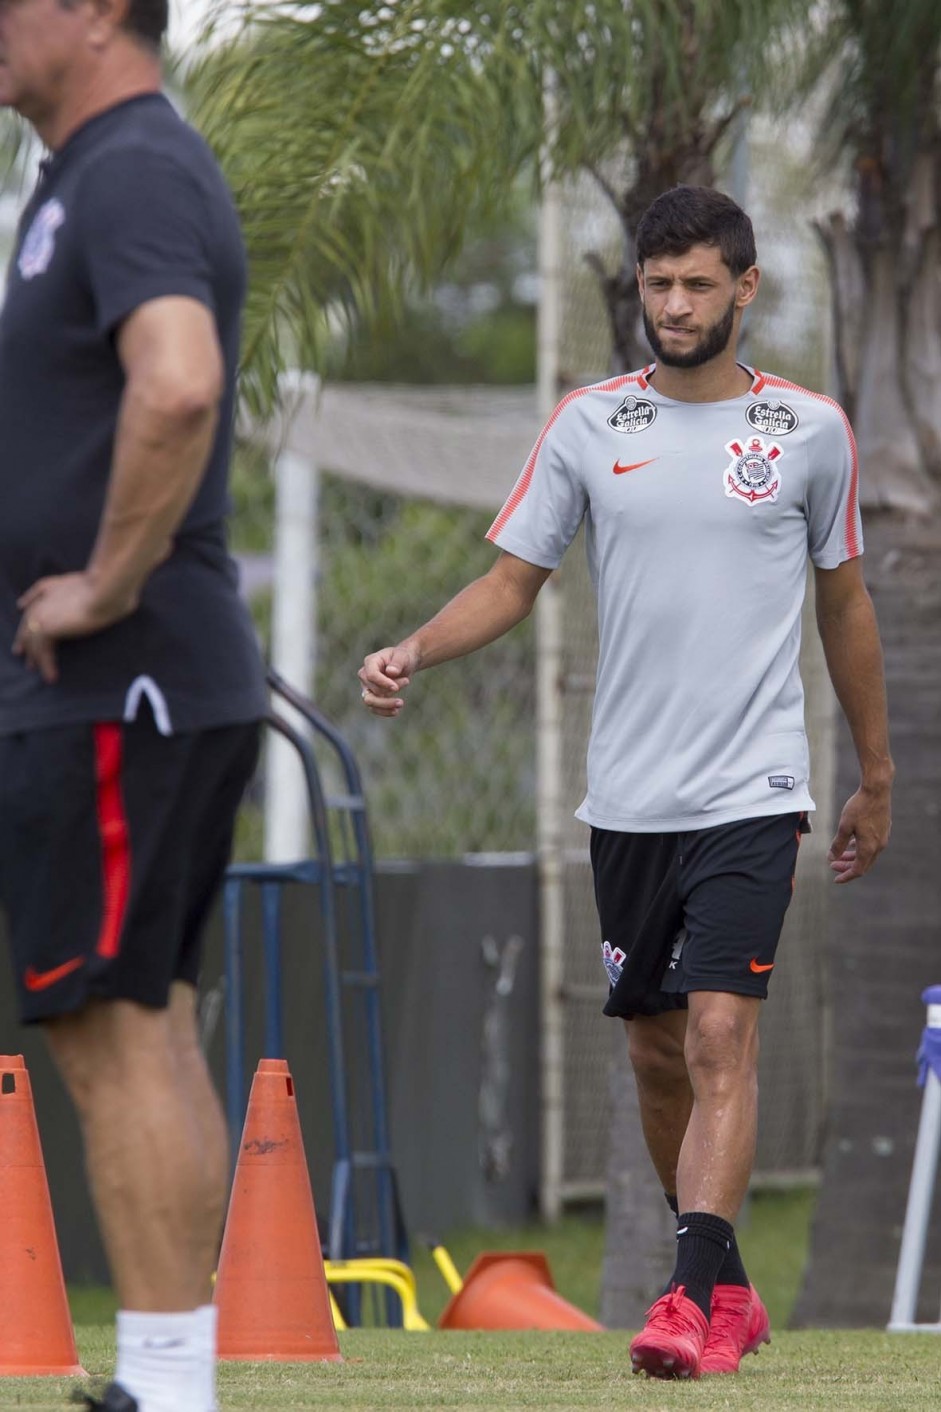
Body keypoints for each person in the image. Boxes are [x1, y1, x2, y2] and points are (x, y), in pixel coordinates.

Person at [360, 185, 893, 1379]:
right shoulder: (588, 427)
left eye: (698, 284)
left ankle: (681, 1299)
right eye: (658, 285)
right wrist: (413, 648)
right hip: (626, 803)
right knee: (658, 1054)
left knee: (718, 1035)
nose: (674, 305)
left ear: (744, 288)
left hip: (754, 790)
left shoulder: (809, 431)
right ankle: (731, 1291)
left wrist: (875, 771)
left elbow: (842, 602)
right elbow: (510, 581)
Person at [0, 4, 268, 1410]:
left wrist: (102, 585)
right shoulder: (84, 176)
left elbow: (177, 386)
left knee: (112, 1031)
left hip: (126, 675)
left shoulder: (134, 168)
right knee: (139, 1025)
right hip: (141, 683)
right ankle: (171, 1385)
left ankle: (168, 1391)